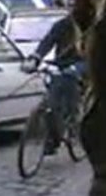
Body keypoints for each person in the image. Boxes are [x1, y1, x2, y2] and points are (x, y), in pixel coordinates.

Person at [23, 12, 84, 155]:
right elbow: (48, 41)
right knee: (51, 103)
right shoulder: (62, 24)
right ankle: (53, 138)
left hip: (81, 65)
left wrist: (78, 68)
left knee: (70, 94)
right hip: (61, 65)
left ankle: (75, 122)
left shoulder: (89, 25)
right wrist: (35, 58)